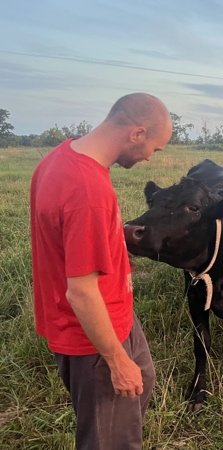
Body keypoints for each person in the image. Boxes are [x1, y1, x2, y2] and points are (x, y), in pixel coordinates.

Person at [30, 93, 173, 449]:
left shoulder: (61, 158)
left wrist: (112, 235)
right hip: (92, 336)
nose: (148, 158)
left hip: (116, 315)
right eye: (153, 149)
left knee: (143, 380)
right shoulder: (88, 190)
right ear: (137, 133)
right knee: (110, 439)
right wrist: (115, 359)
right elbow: (80, 291)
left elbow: (65, 236)